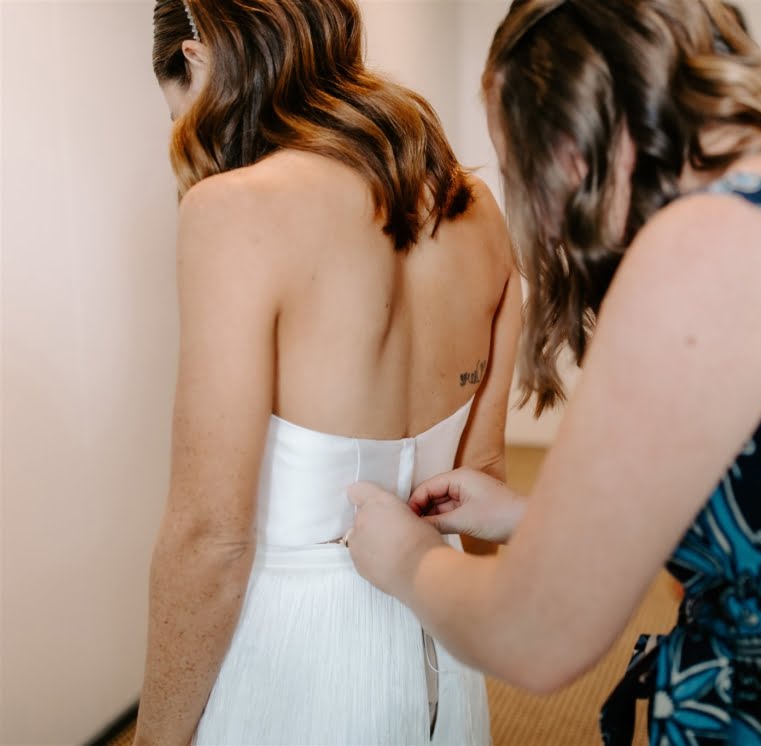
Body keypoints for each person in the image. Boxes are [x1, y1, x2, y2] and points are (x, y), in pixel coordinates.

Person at [345, 0, 761, 744]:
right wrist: (535, 520)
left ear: (574, 141)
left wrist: (407, 560)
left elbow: (534, 637)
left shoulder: (708, 242)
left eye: (520, 160)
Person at [135, 1, 518, 743]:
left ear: (198, 58)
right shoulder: (475, 206)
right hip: (441, 638)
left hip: (294, 660)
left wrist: (154, 738)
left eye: (176, 109)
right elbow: (482, 487)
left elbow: (210, 539)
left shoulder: (233, 209)